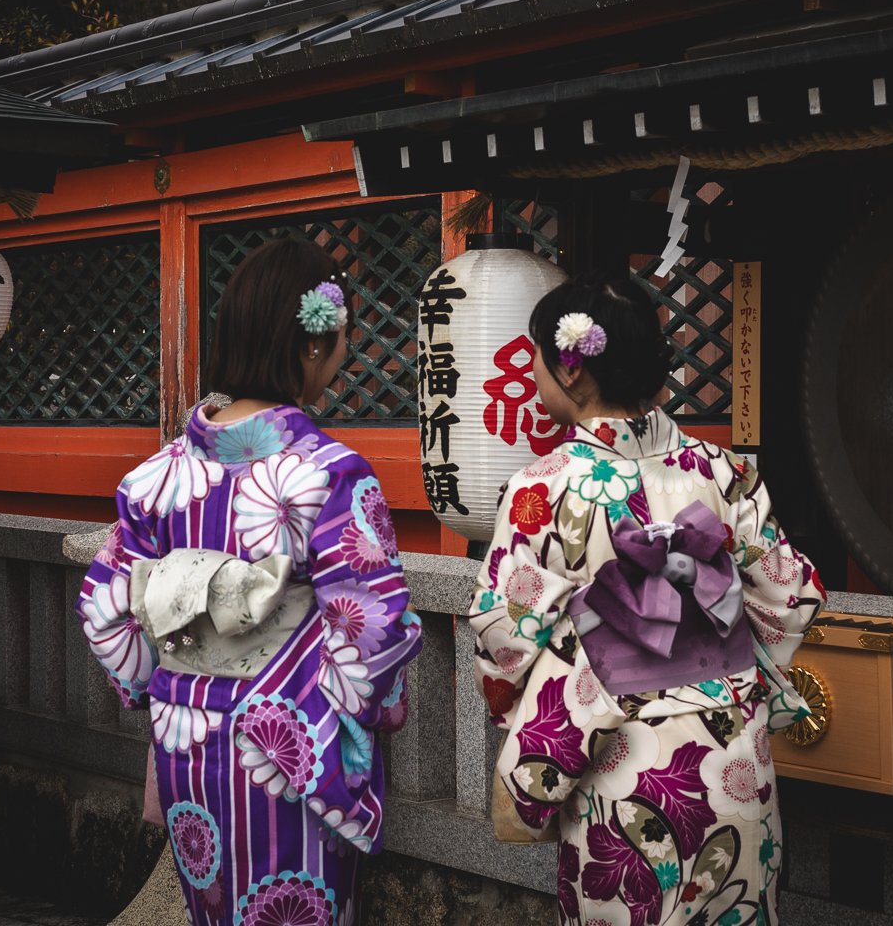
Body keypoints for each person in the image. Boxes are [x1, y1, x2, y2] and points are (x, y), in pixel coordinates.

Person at [76, 240, 422, 925]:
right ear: (310, 347)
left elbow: (106, 610)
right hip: (289, 747)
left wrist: (164, 686)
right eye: (342, 341)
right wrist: (352, 719)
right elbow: (375, 624)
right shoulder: (328, 471)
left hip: (185, 741)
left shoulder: (155, 477)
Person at [469, 278, 823, 926]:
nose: (536, 377)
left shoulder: (539, 490)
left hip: (617, 765)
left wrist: (552, 692)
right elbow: (789, 596)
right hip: (733, 761)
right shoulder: (723, 471)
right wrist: (718, 667)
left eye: (537, 362)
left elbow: (504, 633)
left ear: (572, 373)